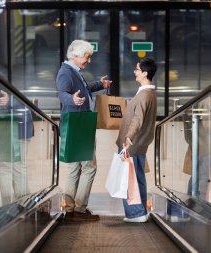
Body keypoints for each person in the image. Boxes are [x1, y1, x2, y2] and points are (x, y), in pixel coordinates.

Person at [56, 39, 112, 221]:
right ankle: (80, 209)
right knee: (89, 167)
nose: (88, 61)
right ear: (74, 56)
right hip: (78, 124)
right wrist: (73, 100)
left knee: (74, 167)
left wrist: (99, 85)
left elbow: (84, 88)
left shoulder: (73, 71)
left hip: (76, 123)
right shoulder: (66, 73)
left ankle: (71, 208)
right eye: (86, 57)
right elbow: (63, 94)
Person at [115, 57, 157, 223]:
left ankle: (135, 213)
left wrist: (128, 137)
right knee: (138, 177)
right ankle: (140, 211)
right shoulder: (148, 93)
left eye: (137, 69)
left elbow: (138, 119)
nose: (135, 71)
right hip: (140, 143)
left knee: (129, 179)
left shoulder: (144, 95)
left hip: (133, 143)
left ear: (145, 73)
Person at [0, 80, 34, 205]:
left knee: (4, 168)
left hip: (12, 128)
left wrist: (9, 101)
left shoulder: (3, 81)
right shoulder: (6, 79)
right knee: (18, 167)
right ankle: (24, 205)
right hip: (17, 129)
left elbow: (21, 100)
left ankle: (8, 206)